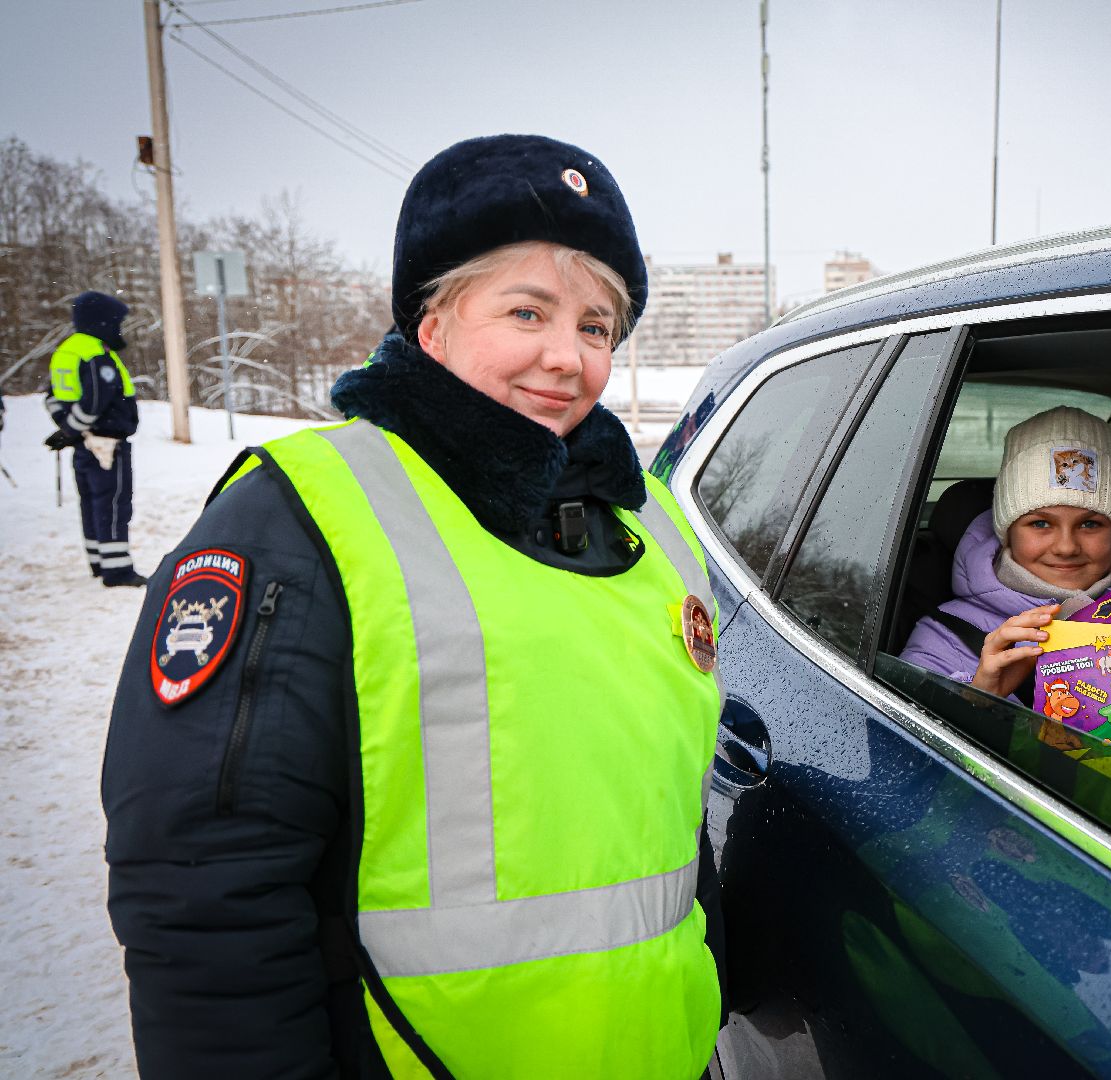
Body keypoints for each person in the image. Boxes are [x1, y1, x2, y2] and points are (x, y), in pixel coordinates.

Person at [103, 135, 725, 1078]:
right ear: (431, 324)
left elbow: (658, 832)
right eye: (529, 310)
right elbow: (207, 897)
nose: (568, 357)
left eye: (597, 327)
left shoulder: (651, 526)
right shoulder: (301, 517)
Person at [900, 406, 1111, 784]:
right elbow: (913, 784)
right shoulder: (944, 636)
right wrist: (979, 700)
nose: (1067, 547)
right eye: (1040, 523)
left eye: (1090, 523)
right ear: (1008, 532)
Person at [44, 290, 144, 586]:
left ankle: (99, 562)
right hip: (106, 444)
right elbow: (96, 400)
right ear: (102, 322)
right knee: (113, 503)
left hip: (84, 446)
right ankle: (118, 570)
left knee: (92, 503)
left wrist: (67, 429)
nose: (119, 329)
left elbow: (51, 397)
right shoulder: (95, 354)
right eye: (116, 322)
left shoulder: (67, 351)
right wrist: (78, 429)